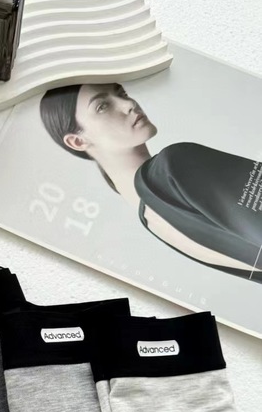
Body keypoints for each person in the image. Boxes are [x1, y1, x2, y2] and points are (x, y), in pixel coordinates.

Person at [39, 82, 262, 283]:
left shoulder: (151, 221)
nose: (128, 104)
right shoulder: (175, 165)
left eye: (121, 93)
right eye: (102, 106)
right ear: (77, 141)